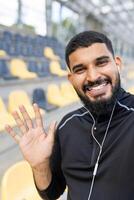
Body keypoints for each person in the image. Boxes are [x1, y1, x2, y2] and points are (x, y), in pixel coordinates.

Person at [5, 30, 134, 200]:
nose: (93, 76)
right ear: (71, 79)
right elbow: (51, 192)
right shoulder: (67, 126)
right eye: (80, 70)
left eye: (101, 63)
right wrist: (40, 166)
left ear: (117, 64)